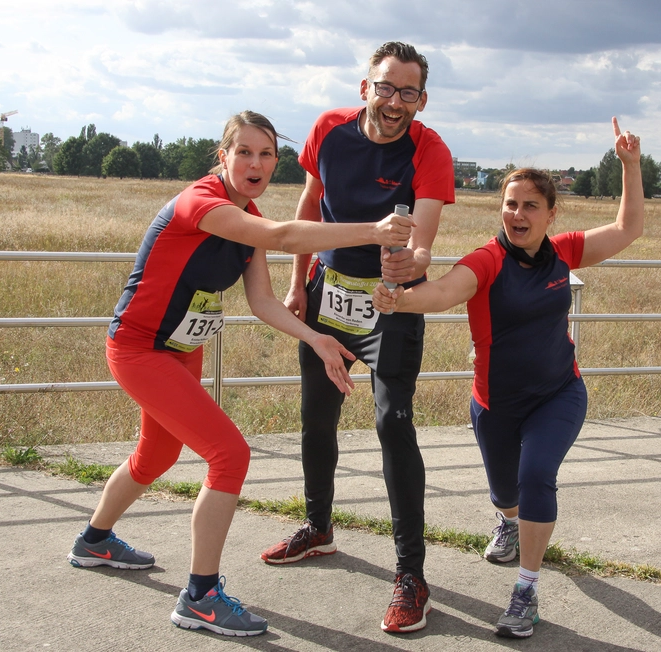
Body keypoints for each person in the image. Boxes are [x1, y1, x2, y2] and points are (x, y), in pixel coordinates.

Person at [66, 110, 413, 638]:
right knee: (230, 454)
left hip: (180, 348)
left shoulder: (245, 214)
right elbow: (281, 233)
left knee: (155, 454)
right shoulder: (203, 204)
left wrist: (318, 338)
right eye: (244, 152)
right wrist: (373, 229)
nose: (256, 163)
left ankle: (94, 541)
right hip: (138, 348)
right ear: (221, 156)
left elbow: (263, 302)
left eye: (266, 153)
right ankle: (200, 597)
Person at [372, 118, 643, 638]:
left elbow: (627, 229)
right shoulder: (488, 259)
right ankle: (509, 522)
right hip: (495, 403)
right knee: (506, 493)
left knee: (536, 475)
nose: (517, 214)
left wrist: (630, 166)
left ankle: (526, 590)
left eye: (530, 206)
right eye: (510, 204)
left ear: (550, 213)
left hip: (560, 393)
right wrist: (402, 300)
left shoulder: (563, 251)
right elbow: (446, 292)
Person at [258, 41, 455, 634]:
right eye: (386, 88)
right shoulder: (329, 130)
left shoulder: (431, 149)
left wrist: (410, 264)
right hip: (328, 292)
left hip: (391, 302)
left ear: (422, 100)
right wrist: (297, 285)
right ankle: (318, 527)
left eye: (409, 93)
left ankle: (411, 576)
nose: (395, 102)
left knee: (392, 423)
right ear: (364, 87)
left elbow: (423, 236)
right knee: (316, 417)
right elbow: (311, 206)